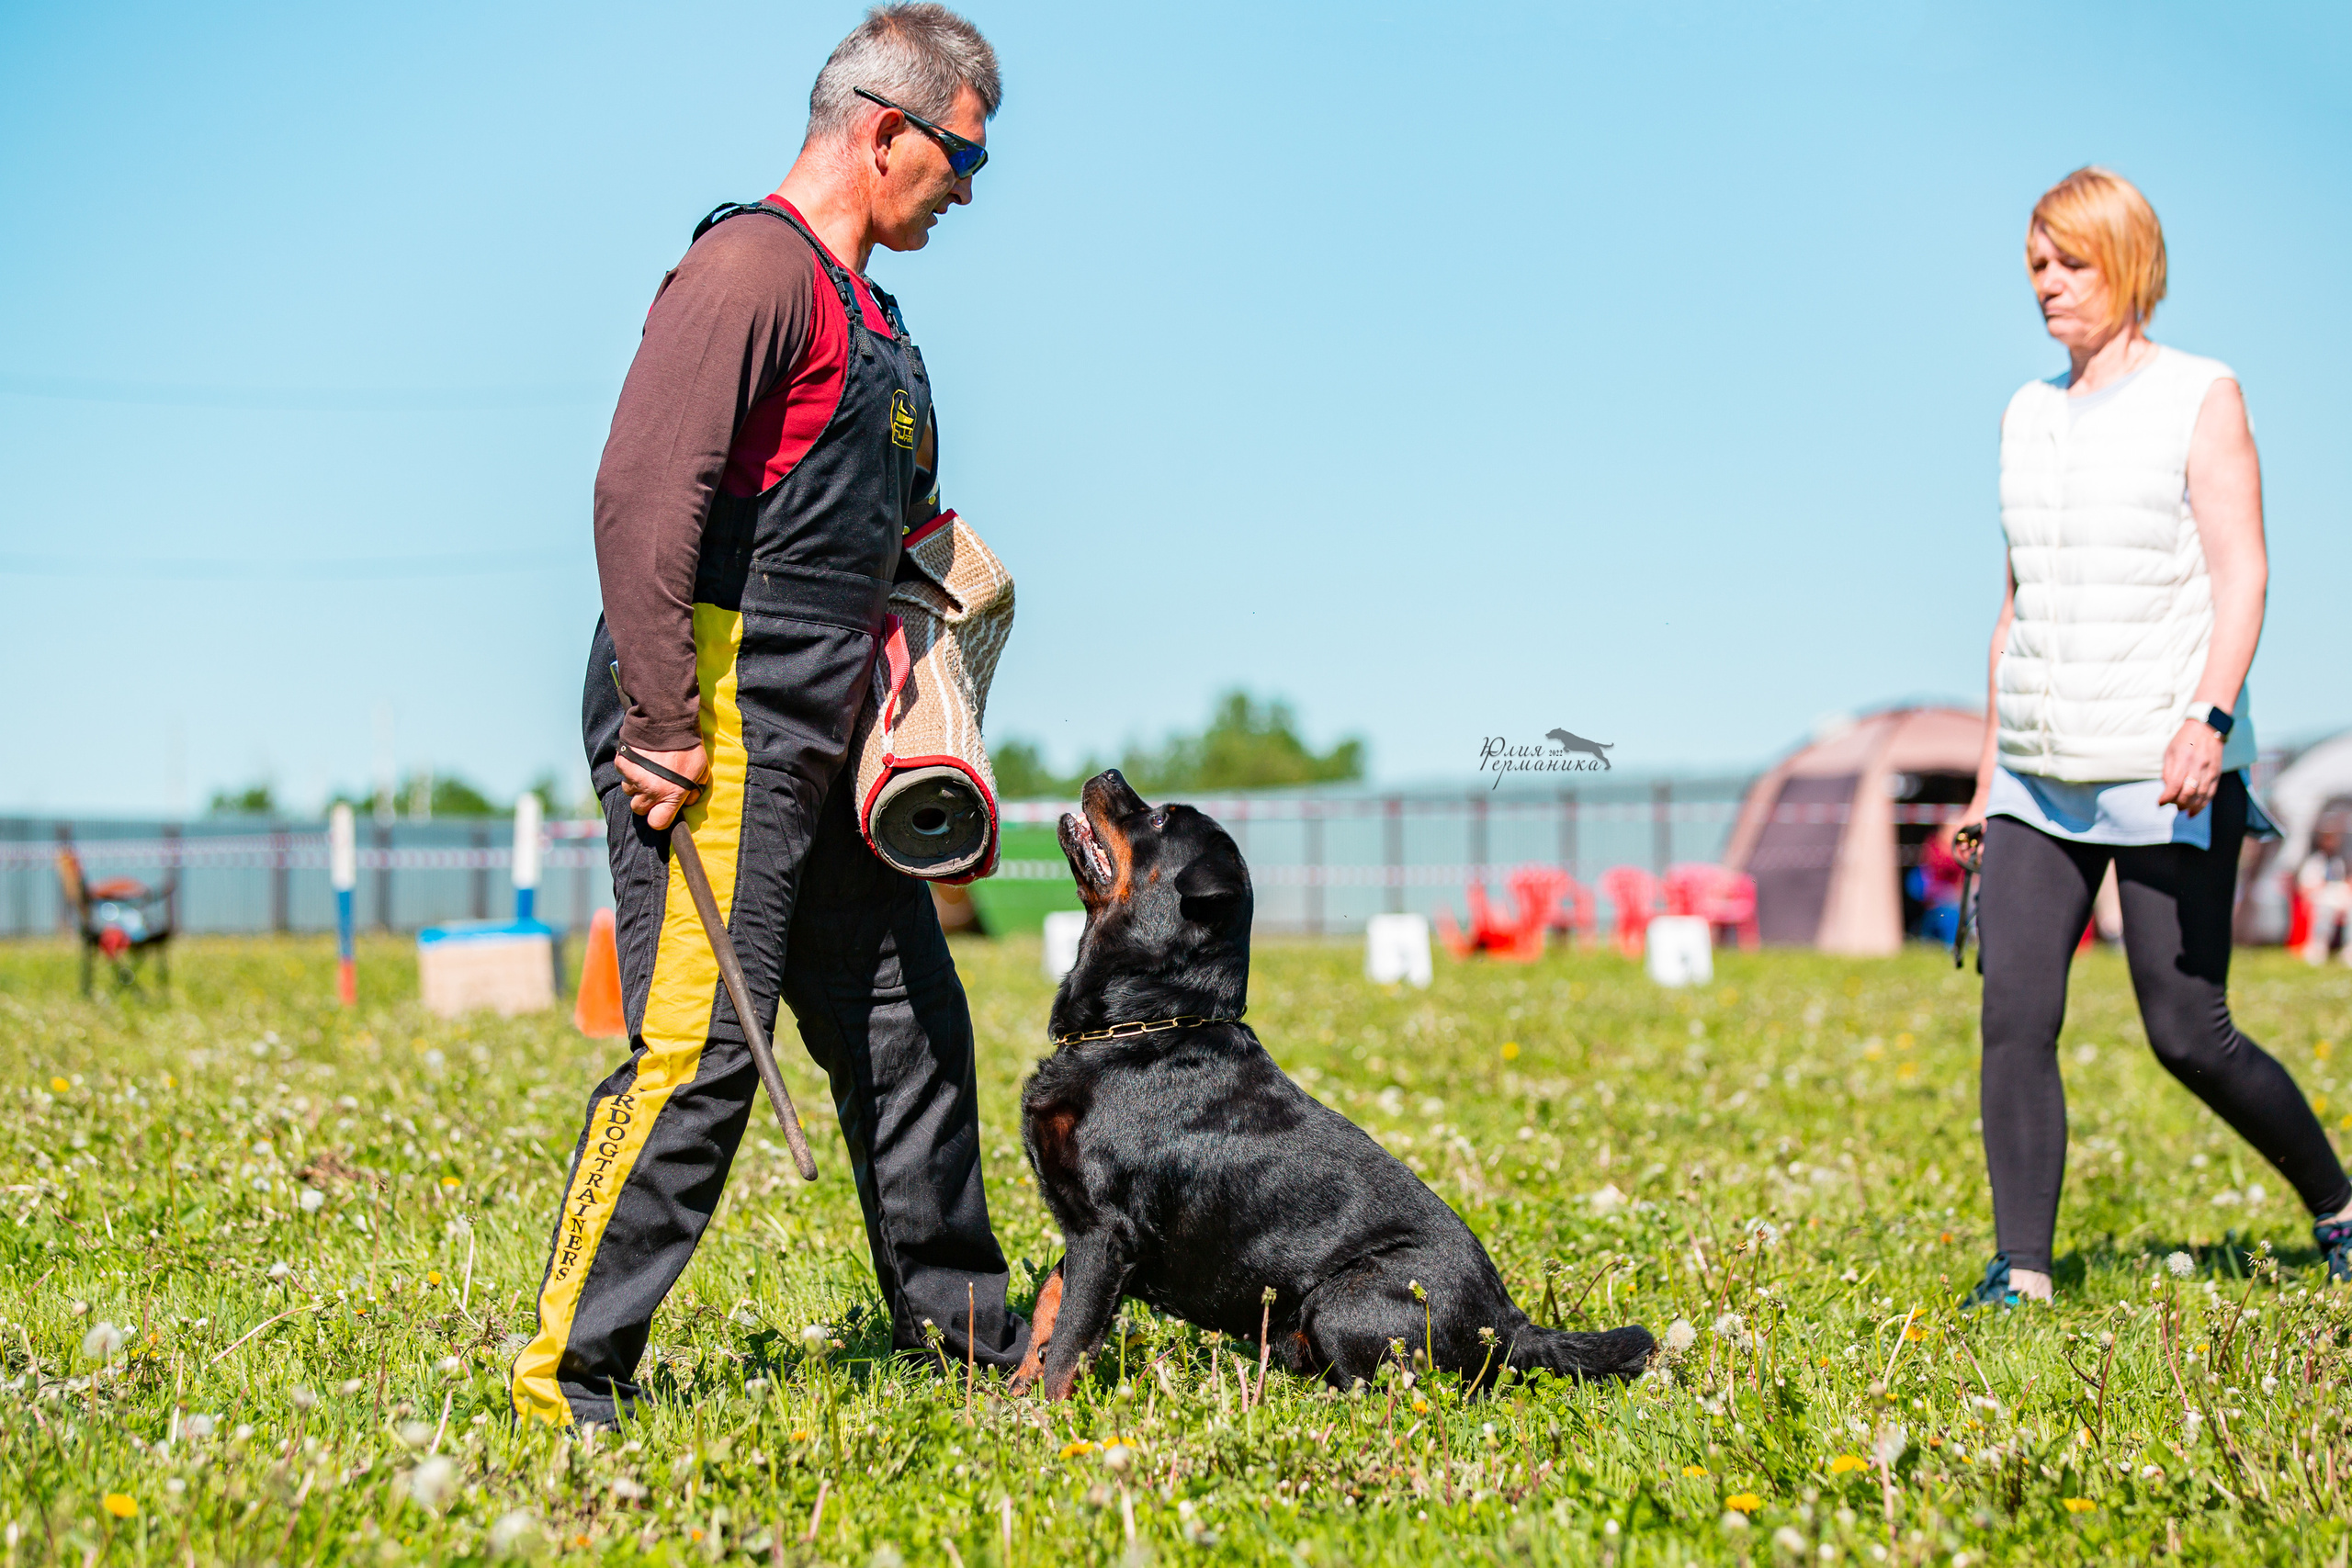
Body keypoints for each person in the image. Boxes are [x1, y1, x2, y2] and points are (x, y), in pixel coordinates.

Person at [510, 4, 1025, 1426]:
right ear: (881, 131)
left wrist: (945, 685)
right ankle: (570, 1374)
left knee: (914, 1030)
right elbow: (640, 496)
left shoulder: (887, 328)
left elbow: (897, 536)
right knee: (699, 1056)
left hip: (835, 738)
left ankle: (975, 1339)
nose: (969, 191)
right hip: (717, 716)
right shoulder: (750, 269)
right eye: (961, 159)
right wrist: (665, 723)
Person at [1952, 167, 2352, 1309]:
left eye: (2067, 263)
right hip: (2037, 769)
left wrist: (2207, 718)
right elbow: (2014, 609)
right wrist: (1988, 777)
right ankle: (2020, 1268)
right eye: (2035, 264)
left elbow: (2242, 572)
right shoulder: (2025, 415)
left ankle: (2338, 1205)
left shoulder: (2199, 394)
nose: (2045, 286)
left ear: (2125, 265)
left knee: (2187, 1033)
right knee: (2014, 1020)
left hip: (2165, 764)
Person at [2298, 817, 2352, 965]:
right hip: (2320, 897)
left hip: (2338, 896)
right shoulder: (2315, 861)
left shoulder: (2338, 861)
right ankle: (2318, 947)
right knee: (2325, 908)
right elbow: (2306, 886)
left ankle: (2349, 949)